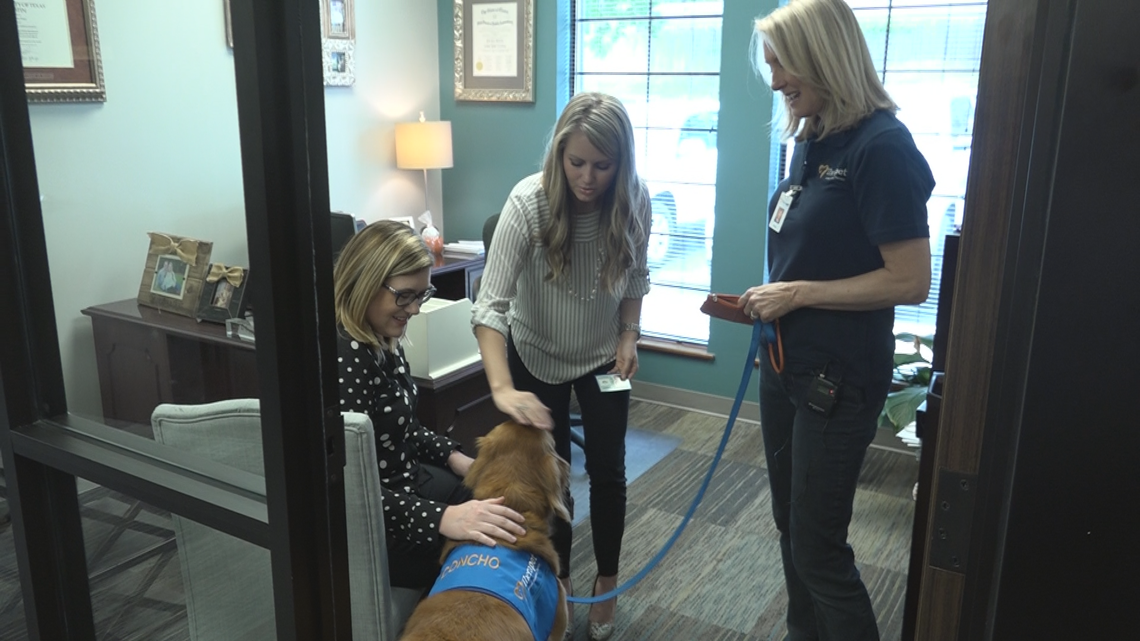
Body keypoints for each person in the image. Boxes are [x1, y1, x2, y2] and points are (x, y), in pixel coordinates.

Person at [742, 1, 935, 640]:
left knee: (818, 546)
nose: (774, 81)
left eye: (782, 64)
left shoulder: (882, 146)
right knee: (789, 527)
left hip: (839, 376)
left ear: (823, 56)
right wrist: (778, 297)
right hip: (784, 363)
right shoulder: (814, 134)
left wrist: (796, 294)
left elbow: (909, 281)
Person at [471, 92, 651, 641]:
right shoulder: (528, 203)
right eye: (576, 163)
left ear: (621, 163)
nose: (588, 178)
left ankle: (606, 583)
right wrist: (501, 387)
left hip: (602, 355)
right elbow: (490, 304)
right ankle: (562, 581)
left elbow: (637, 280)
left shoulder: (634, 201)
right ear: (558, 154)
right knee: (554, 476)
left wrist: (629, 333)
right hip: (535, 353)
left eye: (603, 165)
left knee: (609, 470)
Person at [334, 220, 527, 589]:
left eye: (421, 295)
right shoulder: (346, 356)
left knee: (513, 503)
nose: (416, 309)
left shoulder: (379, 337)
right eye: (405, 295)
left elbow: (402, 427)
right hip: (378, 525)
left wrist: (456, 458)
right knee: (497, 551)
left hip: (408, 489)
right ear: (363, 282)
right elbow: (348, 489)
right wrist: (441, 518)